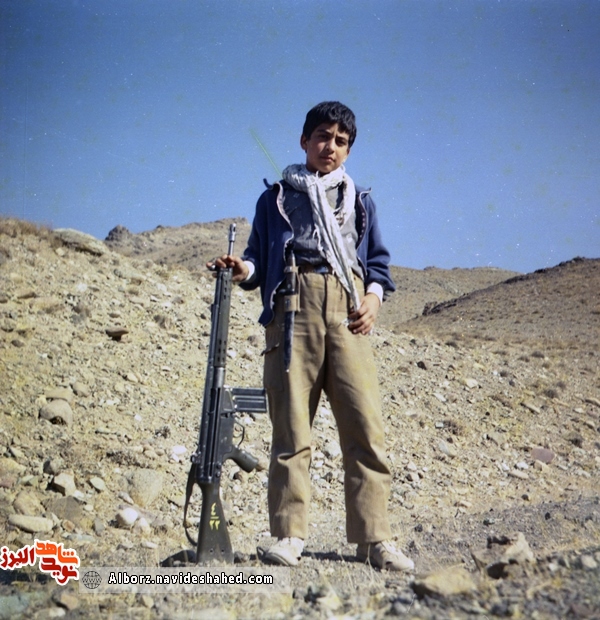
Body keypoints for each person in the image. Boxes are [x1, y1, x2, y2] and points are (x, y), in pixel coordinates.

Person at [210, 101, 414, 571]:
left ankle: (375, 539)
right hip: (293, 308)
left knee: (364, 427)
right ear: (304, 140)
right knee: (292, 428)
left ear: (349, 150)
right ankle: (289, 535)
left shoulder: (359, 200)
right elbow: (257, 260)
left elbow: (377, 264)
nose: (330, 147)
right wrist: (243, 270)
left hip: (348, 310)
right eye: (322, 136)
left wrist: (373, 300)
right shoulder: (276, 198)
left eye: (341, 141)